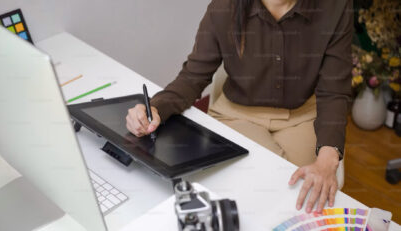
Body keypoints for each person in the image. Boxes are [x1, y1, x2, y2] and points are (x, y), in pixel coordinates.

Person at [126, 0, 353, 213]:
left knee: (300, 197)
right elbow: (192, 77)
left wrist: (327, 157)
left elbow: (334, 91)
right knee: (258, 190)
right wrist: (155, 108)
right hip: (238, 114)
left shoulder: (335, 6)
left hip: (302, 115)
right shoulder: (225, 6)